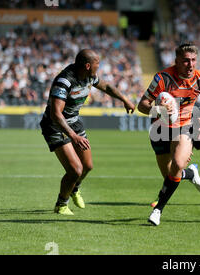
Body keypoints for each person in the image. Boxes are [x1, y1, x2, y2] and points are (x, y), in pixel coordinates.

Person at [40, 49, 135, 215]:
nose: (100, 67)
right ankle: (61, 204)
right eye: (98, 64)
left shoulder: (89, 75)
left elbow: (105, 86)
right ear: (88, 65)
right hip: (55, 125)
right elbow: (56, 114)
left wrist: (125, 99)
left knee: (87, 166)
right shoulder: (65, 80)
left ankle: (74, 188)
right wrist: (73, 136)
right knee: (75, 169)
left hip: (74, 122)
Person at [137, 43, 200, 226]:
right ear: (176, 61)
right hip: (159, 129)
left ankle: (157, 210)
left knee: (177, 164)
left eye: (193, 60)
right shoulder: (162, 78)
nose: (190, 65)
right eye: (185, 61)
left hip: (184, 127)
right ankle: (190, 174)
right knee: (169, 175)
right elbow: (142, 105)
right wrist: (158, 110)